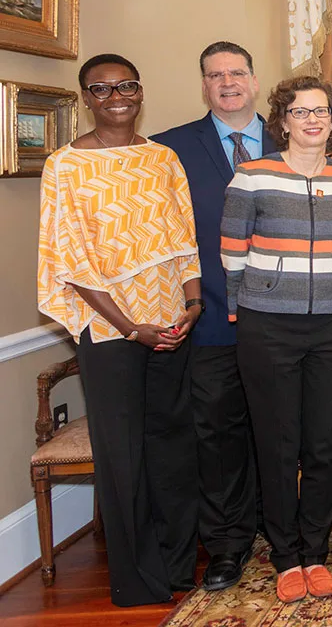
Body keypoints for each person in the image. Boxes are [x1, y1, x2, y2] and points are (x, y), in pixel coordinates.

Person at [38, 53, 200, 606]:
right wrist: (132, 329)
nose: (116, 97)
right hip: (113, 333)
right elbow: (72, 262)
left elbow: (185, 239)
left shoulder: (163, 159)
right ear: (86, 97)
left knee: (174, 447)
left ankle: (179, 565)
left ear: (140, 90)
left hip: (171, 324)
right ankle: (137, 579)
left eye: (125, 86)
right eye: (101, 89)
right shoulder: (65, 166)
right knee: (124, 453)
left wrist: (193, 303)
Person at [221, 76, 332, 603]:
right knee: (277, 445)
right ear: (282, 119)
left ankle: (315, 553)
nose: (311, 120)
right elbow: (232, 252)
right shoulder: (252, 175)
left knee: (321, 444)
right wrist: (245, 307)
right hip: (266, 325)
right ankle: (285, 557)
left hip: (331, 325)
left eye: (321, 112)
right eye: (300, 112)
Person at [152, 41, 276, 592]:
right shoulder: (168, 149)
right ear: (203, 85)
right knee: (219, 438)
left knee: (280, 432)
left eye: (236, 72)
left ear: (254, 79)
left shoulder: (296, 137)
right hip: (211, 320)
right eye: (214, 74)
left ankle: (285, 535)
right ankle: (228, 545)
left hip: (284, 320)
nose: (227, 82)